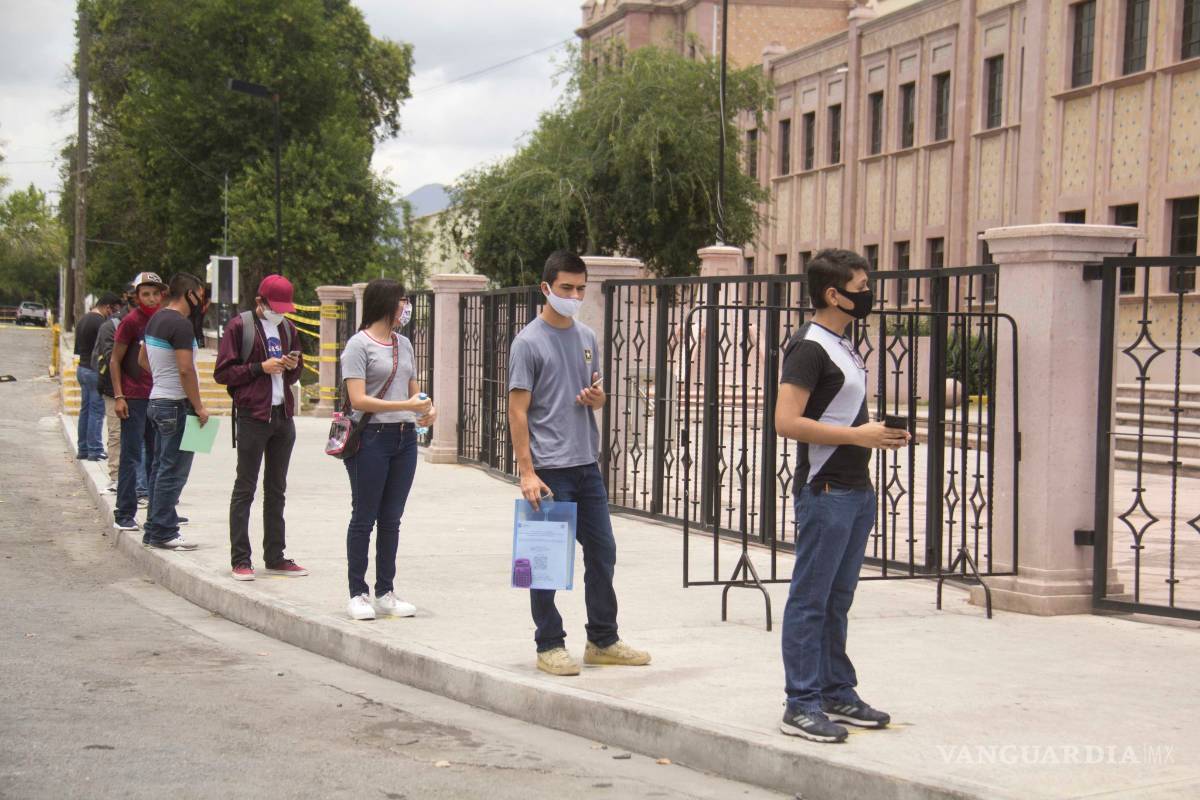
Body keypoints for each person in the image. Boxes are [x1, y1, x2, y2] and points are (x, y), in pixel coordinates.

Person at [774, 248, 909, 743]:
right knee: (811, 600)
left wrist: (879, 435)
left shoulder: (843, 344)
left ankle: (835, 691)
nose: (869, 294)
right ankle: (800, 704)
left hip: (855, 490)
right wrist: (858, 436)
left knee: (837, 599)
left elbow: (840, 413)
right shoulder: (809, 347)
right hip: (825, 490)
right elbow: (786, 422)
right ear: (834, 294)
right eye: (862, 286)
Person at [507, 250, 650, 677]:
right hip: (549, 469)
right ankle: (549, 644)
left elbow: (597, 395)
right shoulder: (527, 342)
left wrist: (598, 399)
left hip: (586, 463)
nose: (573, 296)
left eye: (580, 289)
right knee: (545, 560)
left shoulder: (587, 337)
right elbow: (517, 411)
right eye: (566, 288)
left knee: (603, 552)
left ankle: (602, 639)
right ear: (545, 288)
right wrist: (527, 472)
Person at [339, 278, 436, 621]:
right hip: (371, 438)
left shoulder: (403, 344)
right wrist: (406, 404)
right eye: (402, 300)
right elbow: (358, 399)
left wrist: (425, 408)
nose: (406, 307)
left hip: (404, 438)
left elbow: (414, 391)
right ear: (386, 303)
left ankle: (385, 591)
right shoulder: (358, 345)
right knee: (364, 516)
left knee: (392, 518)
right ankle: (357, 593)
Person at [214, 274, 306, 581]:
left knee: (277, 490)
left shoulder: (288, 329)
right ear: (260, 302)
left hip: (283, 415)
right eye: (274, 307)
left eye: (283, 308)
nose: (278, 313)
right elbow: (223, 373)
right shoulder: (240, 327)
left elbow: (294, 375)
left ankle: (275, 556)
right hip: (252, 415)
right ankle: (241, 558)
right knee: (245, 488)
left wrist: (292, 366)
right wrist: (259, 368)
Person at [140, 271, 211, 550]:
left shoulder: (156, 319)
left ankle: (154, 527)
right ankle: (164, 531)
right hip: (177, 405)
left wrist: (162, 377)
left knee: (160, 468)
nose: (201, 302)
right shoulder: (181, 325)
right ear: (189, 294)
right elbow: (185, 369)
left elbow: (142, 359)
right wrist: (199, 406)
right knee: (174, 471)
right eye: (200, 296)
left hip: (158, 401)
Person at [110, 274, 166, 531]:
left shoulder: (164, 320)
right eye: (146, 294)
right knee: (131, 457)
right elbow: (115, 360)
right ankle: (124, 513)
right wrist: (119, 396)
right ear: (137, 296)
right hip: (134, 398)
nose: (151, 299)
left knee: (158, 458)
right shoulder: (131, 322)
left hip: (160, 396)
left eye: (155, 293)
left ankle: (158, 513)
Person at [74, 293, 121, 461]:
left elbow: (77, 347)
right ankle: (95, 450)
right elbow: (104, 349)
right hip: (94, 371)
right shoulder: (101, 323)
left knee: (85, 410)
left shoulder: (83, 319)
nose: (113, 314)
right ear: (108, 307)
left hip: (82, 368)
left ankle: (83, 448)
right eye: (114, 310)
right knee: (97, 411)